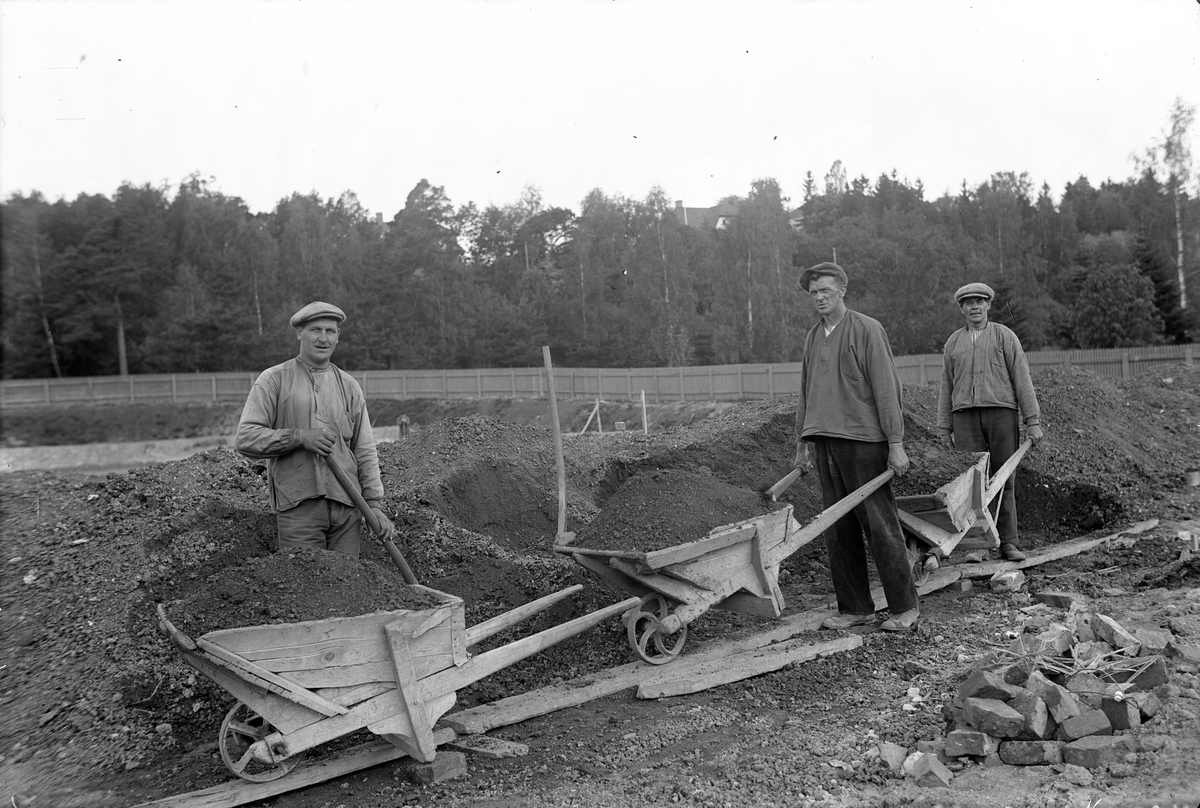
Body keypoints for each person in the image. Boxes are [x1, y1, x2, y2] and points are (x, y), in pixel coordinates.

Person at [794, 262, 920, 632]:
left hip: (865, 443)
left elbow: (887, 388)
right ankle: (855, 609)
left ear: (842, 290)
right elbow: (805, 393)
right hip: (825, 442)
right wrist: (801, 444)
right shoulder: (813, 337)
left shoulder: (867, 329)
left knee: (880, 526)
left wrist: (895, 443)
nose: (819, 298)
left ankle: (905, 608)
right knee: (838, 529)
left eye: (825, 291)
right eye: (814, 293)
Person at [236, 301, 396, 558]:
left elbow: (364, 450)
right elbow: (246, 438)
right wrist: (298, 437)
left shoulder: (350, 386)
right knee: (305, 580)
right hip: (299, 507)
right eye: (315, 330)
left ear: (338, 336)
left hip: (347, 510)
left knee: (346, 581)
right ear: (300, 333)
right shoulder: (274, 380)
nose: (323, 338)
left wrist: (374, 504)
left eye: (330, 331)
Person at [937, 283, 1044, 562]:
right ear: (962, 309)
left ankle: (1008, 543)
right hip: (965, 418)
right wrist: (944, 426)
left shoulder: (1004, 337)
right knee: (972, 483)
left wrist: (1032, 420)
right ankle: (977, 546)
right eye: (968, 303)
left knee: (1004, 478)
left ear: (988, 306)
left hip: (1001, 414)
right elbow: (946, 385)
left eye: (979, 302)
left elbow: (1022, 378)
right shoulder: (953, 343)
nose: (974, 306)